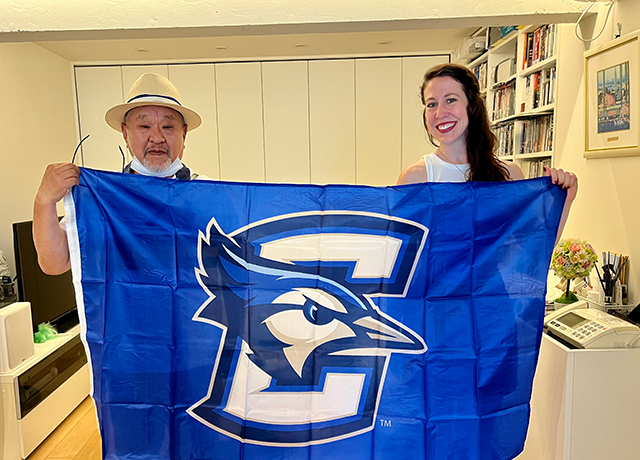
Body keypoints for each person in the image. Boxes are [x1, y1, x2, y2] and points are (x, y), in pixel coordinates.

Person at [33, 73, 203, 275]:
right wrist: (43, 201)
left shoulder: (205, 196)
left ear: (183, 134)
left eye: (167, 126)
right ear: (125, 133)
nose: (157, 137)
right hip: (123, 306)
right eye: (144, 126)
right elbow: (56, 264)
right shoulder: (102, 200)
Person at [397, 63, 577, 240]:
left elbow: (530, 249)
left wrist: (565, 200)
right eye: (431, 104)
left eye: (450, 100)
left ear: (472, 106)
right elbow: (399, 251)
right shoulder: (414, 178)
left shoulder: (508, 174)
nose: (440, 113)